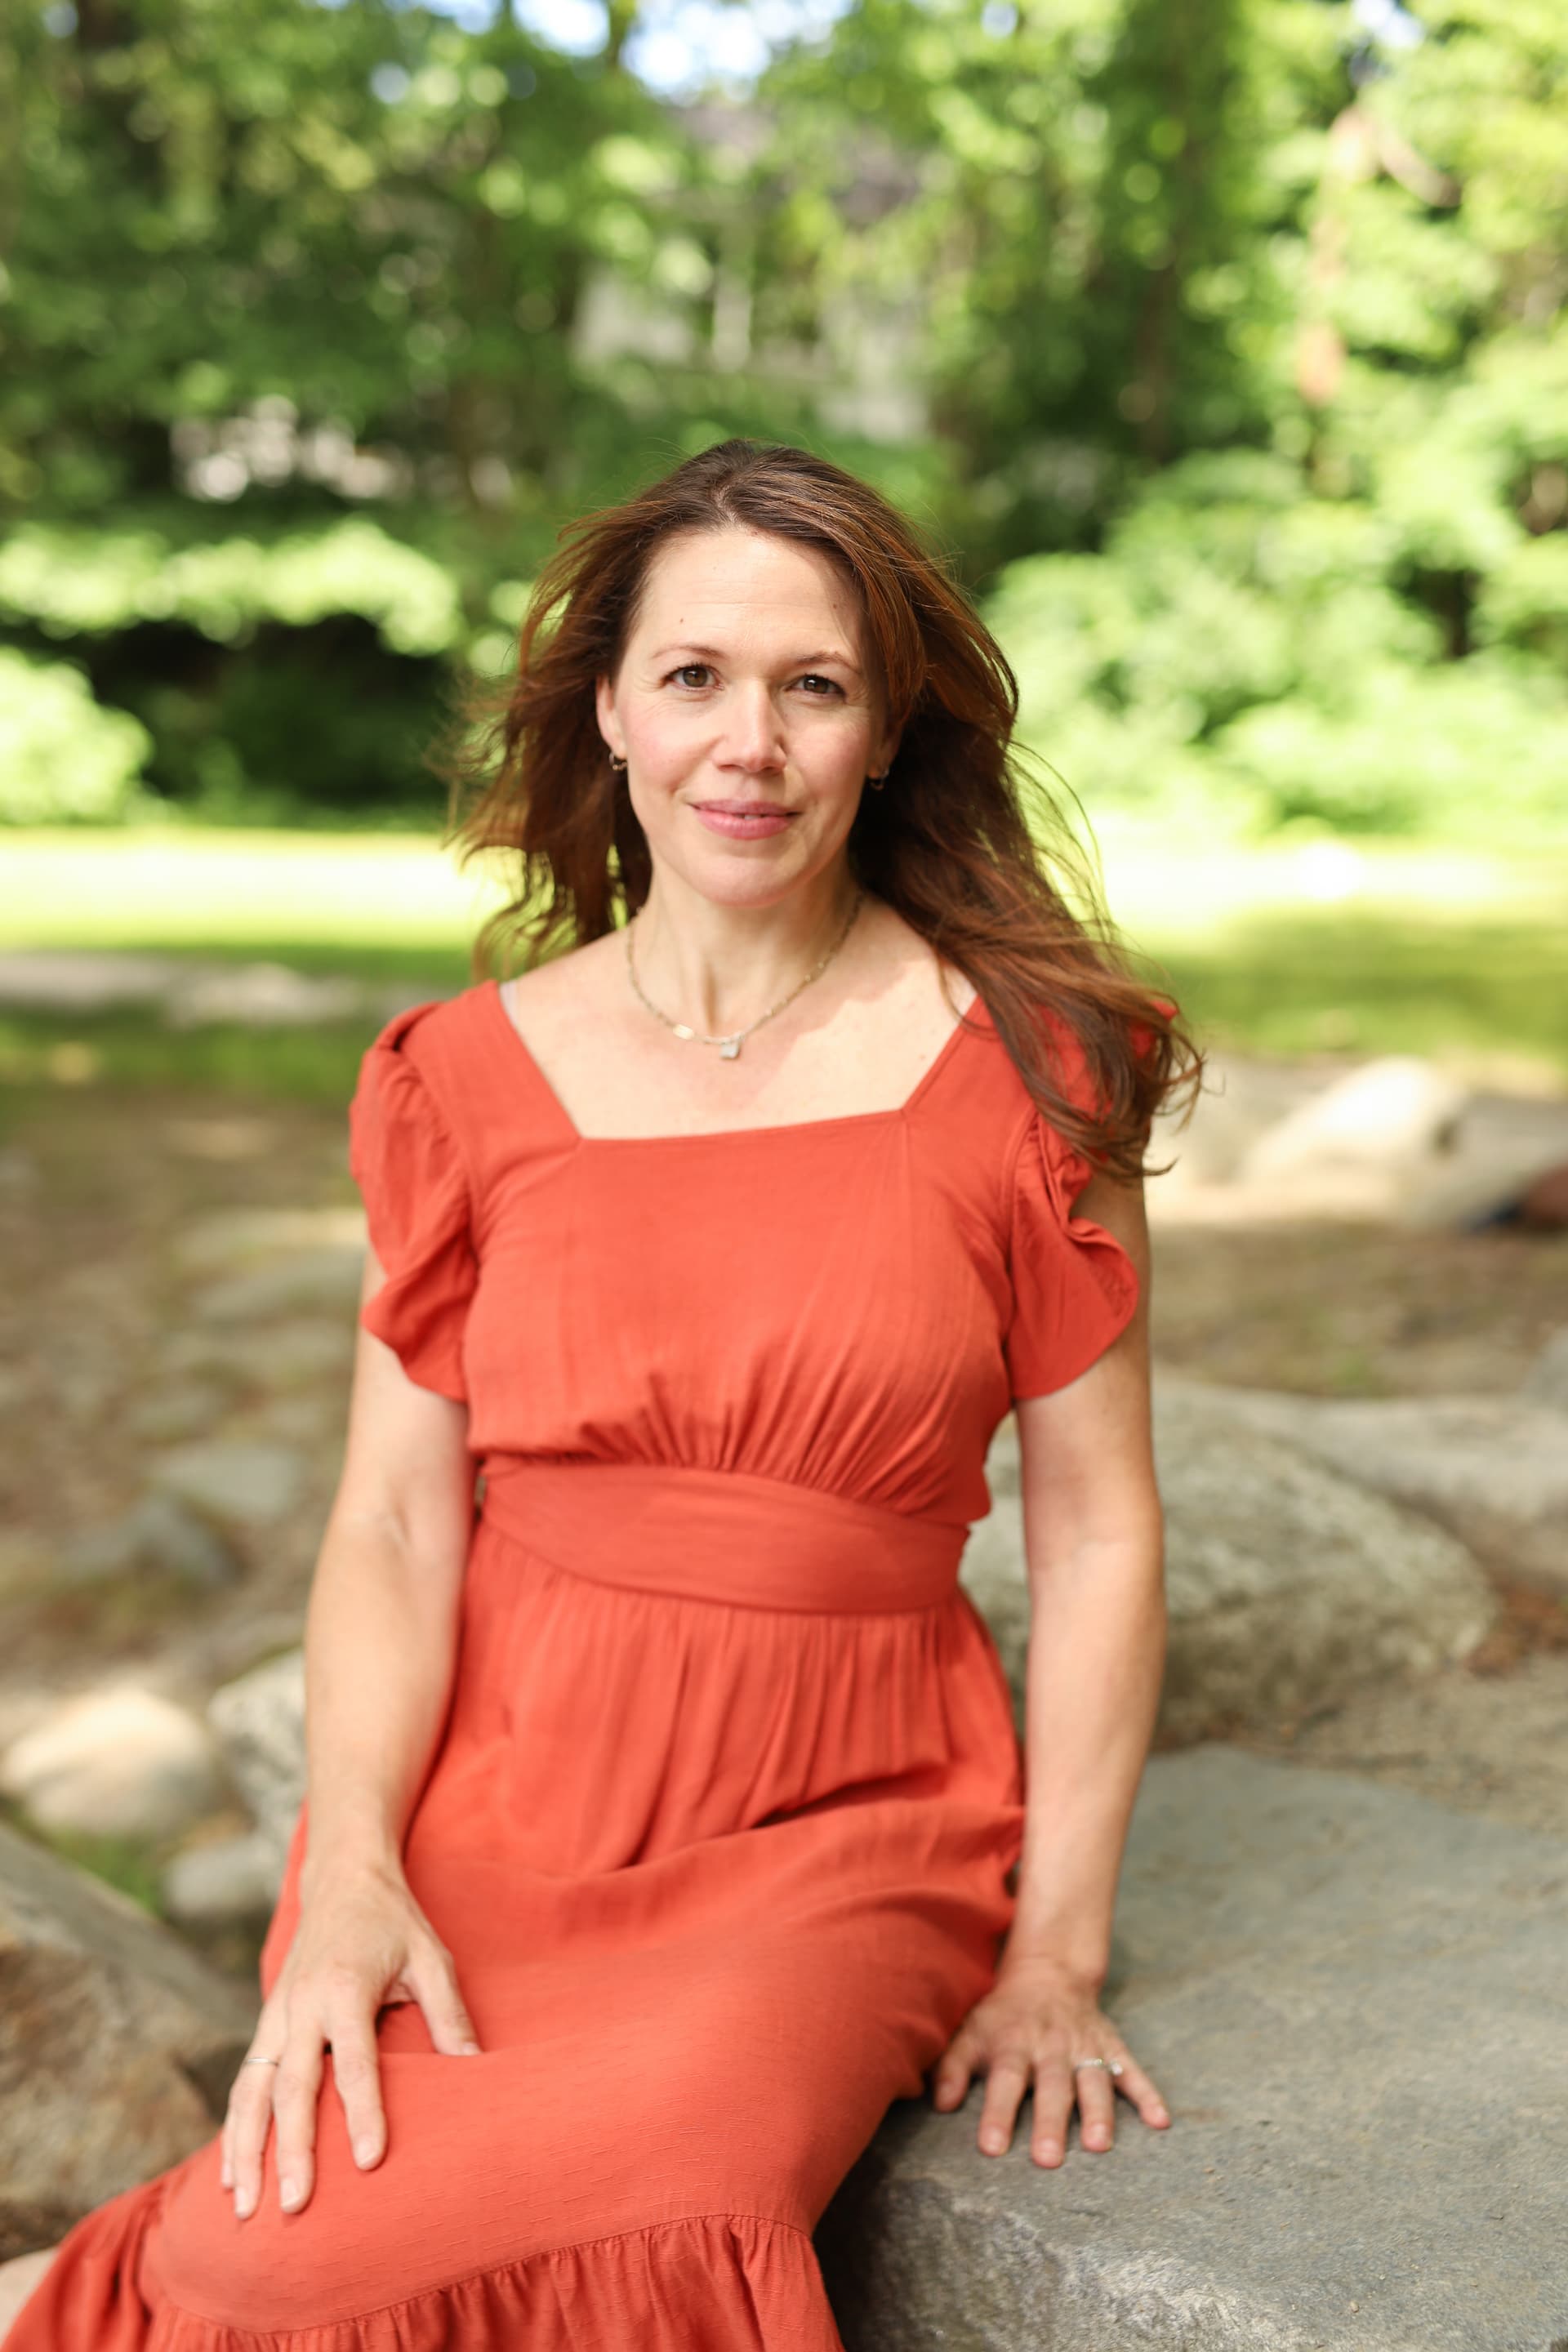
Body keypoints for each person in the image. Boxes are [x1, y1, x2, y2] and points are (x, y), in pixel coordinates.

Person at [2, 439, 1197, 2350]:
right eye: (697, 678)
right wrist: (347, 1875)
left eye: (814, 685)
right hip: (501, 1778)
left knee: (670, 2195)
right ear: (616, 713)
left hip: (848, 1807)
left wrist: (1054, 1948)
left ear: (887, 730)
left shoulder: (1038, 1066)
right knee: (263, 2254)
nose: (752, 743)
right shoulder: (460, 1077)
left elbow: (1101, 1519)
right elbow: (395, 1519)